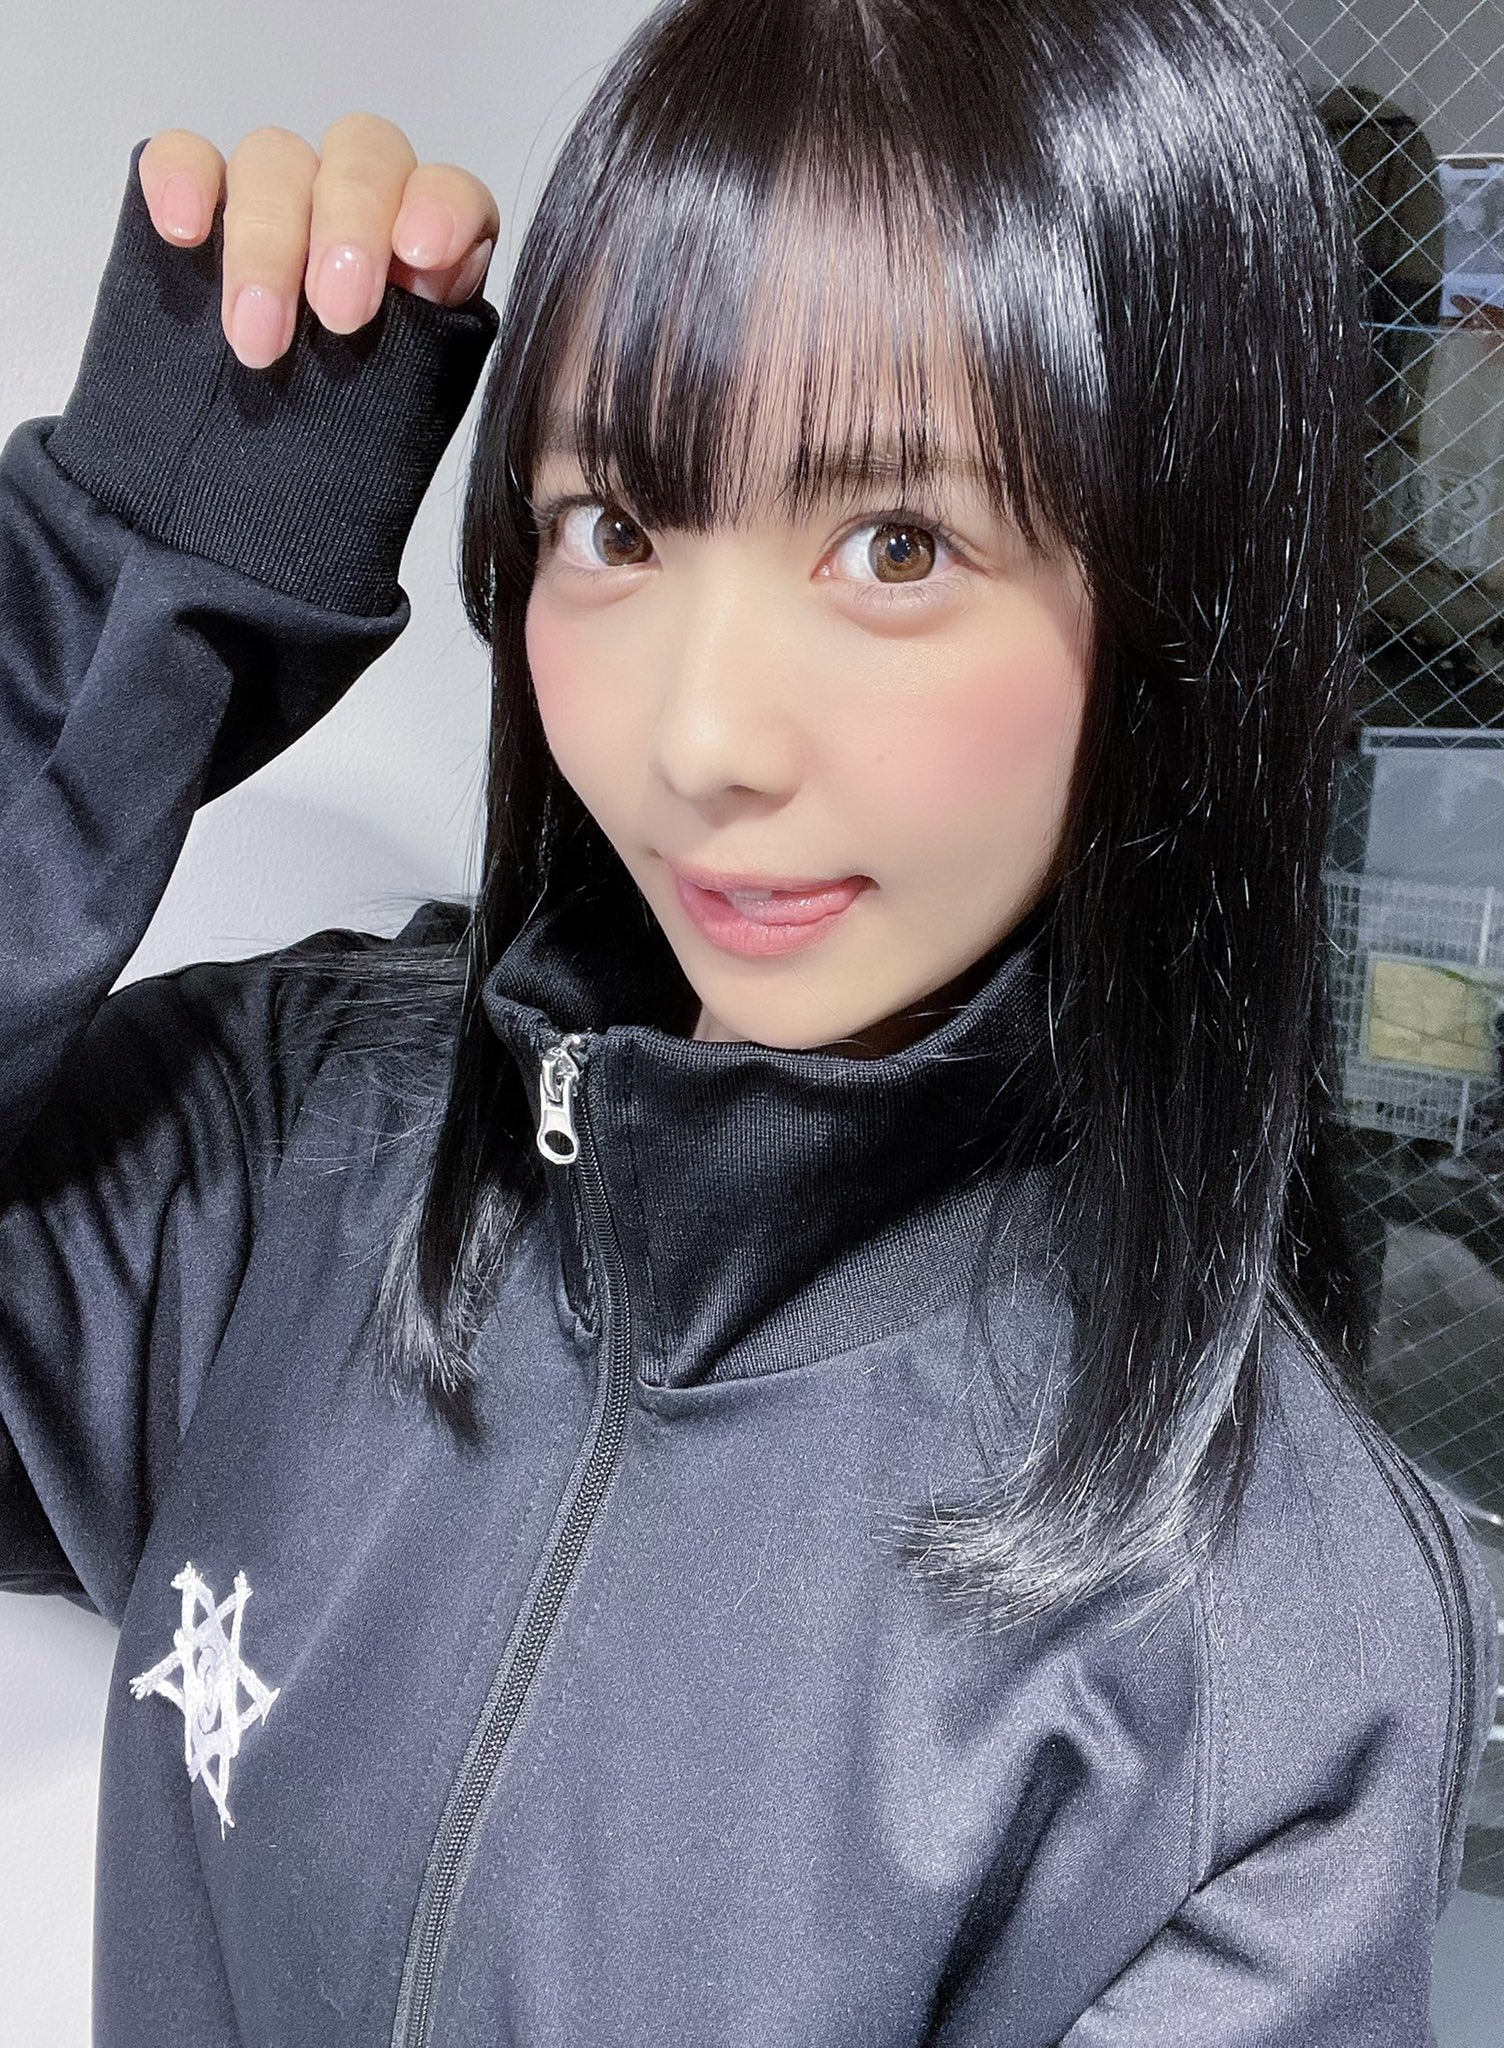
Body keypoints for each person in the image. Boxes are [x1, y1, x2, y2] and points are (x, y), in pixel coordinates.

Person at [1, 2, 1498, 2043]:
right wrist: (141, 565)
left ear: (1185, 604)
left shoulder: (1266, 1654)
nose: (697, 736)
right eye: (614, 527)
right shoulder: (289, 1157)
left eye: (896, 545)